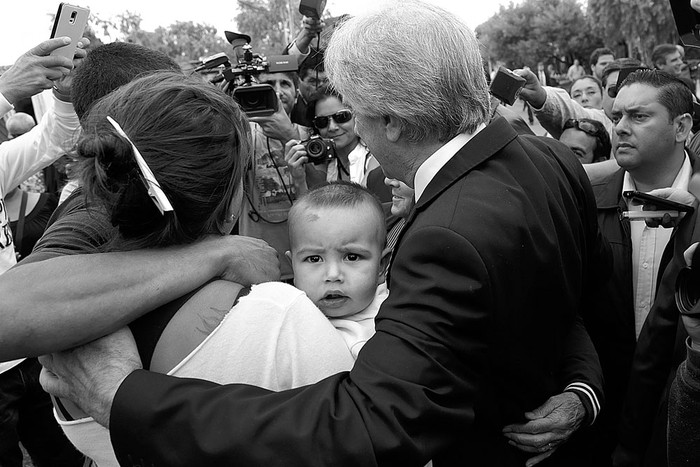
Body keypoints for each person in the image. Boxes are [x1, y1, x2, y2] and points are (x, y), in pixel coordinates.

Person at [37, 3, 608, 467]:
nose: (348, 130)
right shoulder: (549, 157)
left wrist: (123, 397)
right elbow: (572, 297)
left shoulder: (447, 236)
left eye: (353, 114)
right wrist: (585, 390)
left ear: (393, 122)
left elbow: (369, 426)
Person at [585, 69, 695, 467]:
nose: (620, 128)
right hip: (601, 420)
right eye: (616, 117)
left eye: (639, 117)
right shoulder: (587, 203)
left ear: (682, 127)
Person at [285, 89, 381, 194]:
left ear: (357, 116)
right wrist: (299, 179)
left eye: (342, 117)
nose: (332, 127)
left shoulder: (376, 157)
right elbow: (312, 209)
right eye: (322, 121)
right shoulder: (328, 165)